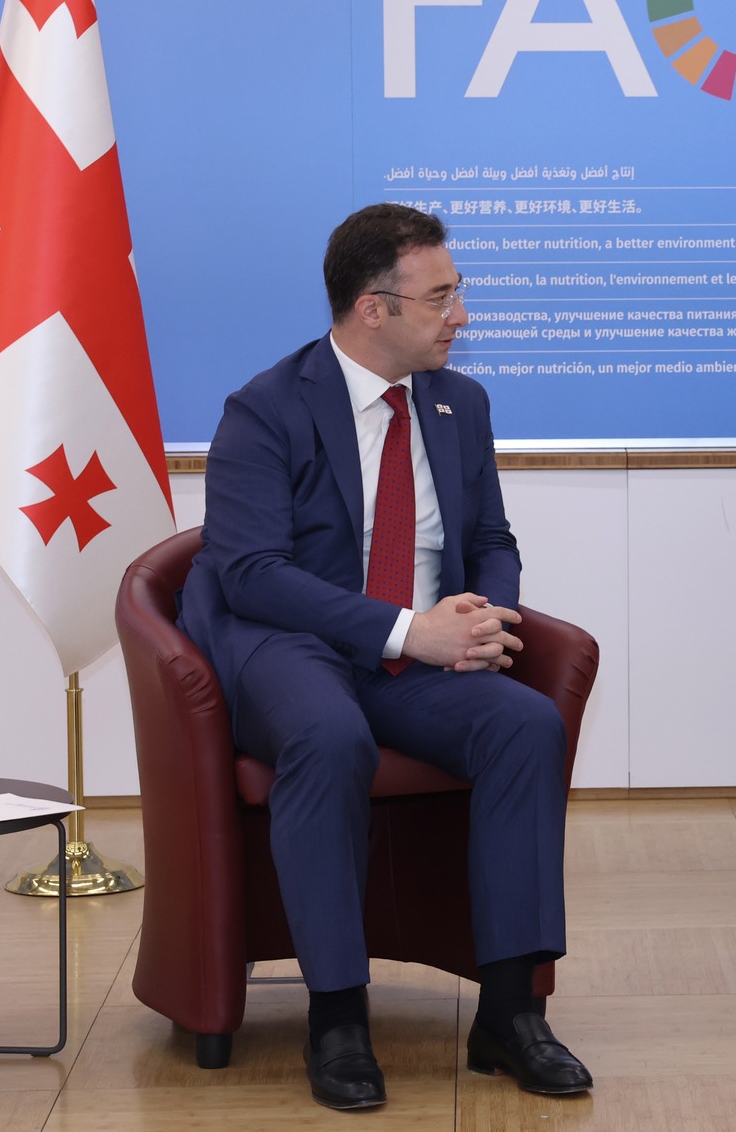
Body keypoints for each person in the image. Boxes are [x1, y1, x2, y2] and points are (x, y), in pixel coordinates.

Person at [178, 202, 592, 1111]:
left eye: (457, 293)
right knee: (329, 737)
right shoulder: (264, 409)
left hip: (419, 660)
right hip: (295, 647)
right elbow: (251, 573)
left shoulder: (458, 403)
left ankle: (511, 1012)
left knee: (527, 724)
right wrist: (409, 629)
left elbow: (490, 536)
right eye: (440, 297)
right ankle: (337, 1016)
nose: (460, 316)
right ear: (374, 308)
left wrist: (486, 614)